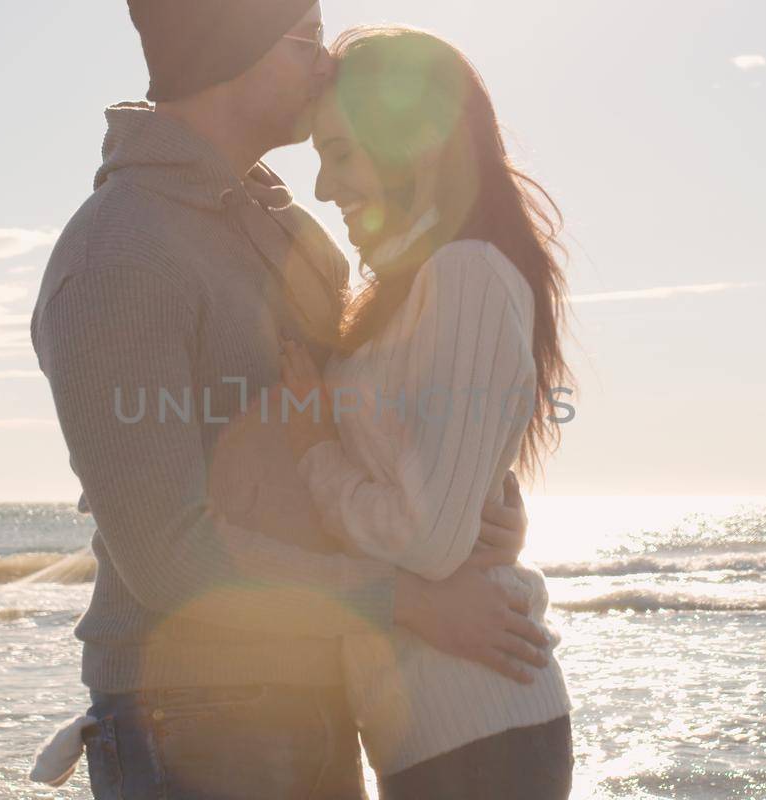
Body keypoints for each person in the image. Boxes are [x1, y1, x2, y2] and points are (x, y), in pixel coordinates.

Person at [27, 3, 547, 797]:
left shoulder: (292, 231)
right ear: (227, 52)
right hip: (193, 715)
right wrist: (408, 601)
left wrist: (483, 506)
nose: (326, 64)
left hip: (323, 693)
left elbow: (368, 428)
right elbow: (169, 556)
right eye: (306, 39)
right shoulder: (119, 253)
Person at [275, 25, 578, 799]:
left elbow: (427, 539)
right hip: (438, 732)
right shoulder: (408, 290)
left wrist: (313, 450)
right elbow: (441, 498)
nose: (321, 185)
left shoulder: (466, 275)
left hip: (482, 732)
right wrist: (491, 509)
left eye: (340, 152)